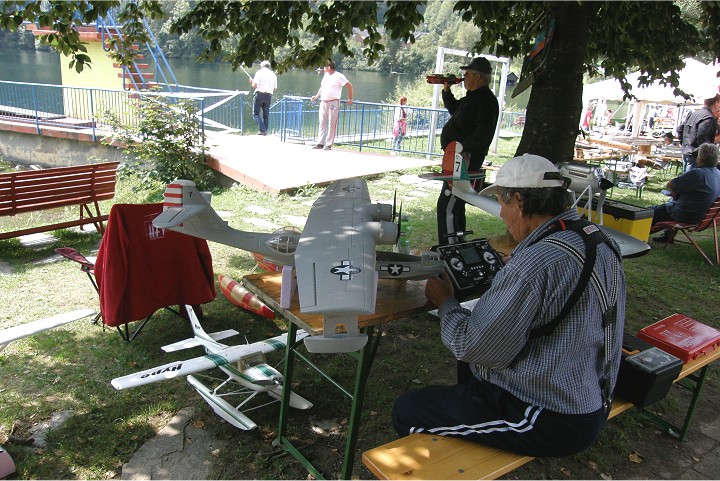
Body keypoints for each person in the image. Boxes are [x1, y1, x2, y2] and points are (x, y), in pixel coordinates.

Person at [393, 154, 626, 458]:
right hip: (589, 391)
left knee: (407, 411)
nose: (501, 214)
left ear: (519, 201)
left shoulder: (533, 265)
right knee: (470, 374)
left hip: (552, 417)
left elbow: (469, 345)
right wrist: (517, 273)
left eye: (503, 204)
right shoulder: (598, 239)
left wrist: (445, 301)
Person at [436, 57, 499, 245]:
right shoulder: (473, 97)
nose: (463, 78)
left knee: (448, 204)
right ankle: (457, 245)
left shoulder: (486, 101)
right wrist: (446, 91)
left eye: (467, 74)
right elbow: (455, 110)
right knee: (455, 203)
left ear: (477, 76)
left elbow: (482, 135)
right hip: (457, 157)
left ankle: (450, 248)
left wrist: (460, 150)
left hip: (465, 159)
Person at [651, 142, 720, 243]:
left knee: (647, 212)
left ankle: (635, 236)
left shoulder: (697, 174)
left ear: (700, 158)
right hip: (706, 216)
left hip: (688, 215)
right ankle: (667, 236)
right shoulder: (717, 173)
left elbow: (670, 184)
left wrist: (675, 192)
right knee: (672, 204)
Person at [311, 59, 353, 151]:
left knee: (331, 123)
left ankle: (329, 144)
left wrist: (350, 98)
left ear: (329, 67)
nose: (323, 68)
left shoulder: (339, 76)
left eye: (325, 66)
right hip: (323, 101)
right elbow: (322, 87)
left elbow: (349, 86)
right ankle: (320, 143)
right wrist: (317, 96)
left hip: (333, 102)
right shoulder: (326, 75)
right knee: (322, 122)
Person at [678, 94, 720, 172]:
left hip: (687, 151)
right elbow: (702, 137)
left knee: (687, 178)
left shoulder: (694, 113)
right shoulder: (708, 117)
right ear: (716, 103)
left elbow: (680, 129)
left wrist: (684, 144)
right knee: (693, 181)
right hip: (697, 155)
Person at [250, 60, 277, 136]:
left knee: (255, 114)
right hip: (268, 96)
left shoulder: (259, 72)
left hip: (259, 94)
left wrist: (251, 82)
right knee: (266, 115)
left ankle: (263, 130)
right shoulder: (273, 74)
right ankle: (263, 131)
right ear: (268, 66)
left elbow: (254, 85)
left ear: (262, 66)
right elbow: (274, 88)